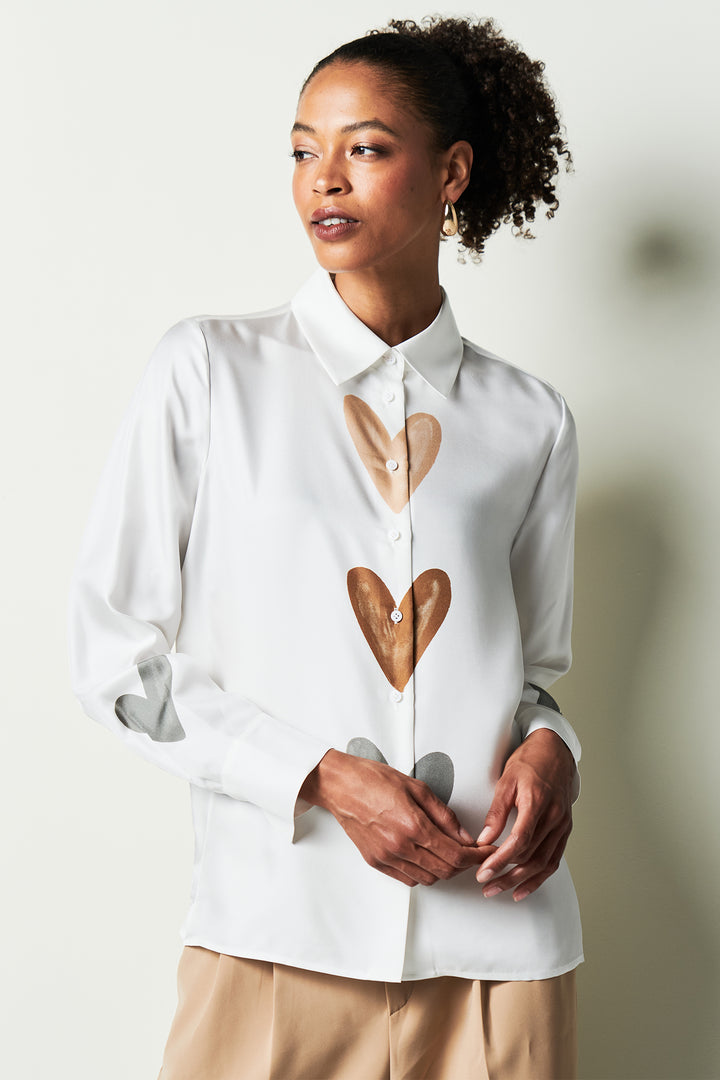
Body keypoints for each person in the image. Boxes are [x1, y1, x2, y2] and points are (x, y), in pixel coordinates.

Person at [68, 14, 583, 1080]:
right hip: (275, 937)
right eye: (305, 149)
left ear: (451, 171)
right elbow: (116, 664)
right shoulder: (209, 372)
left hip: (499, 948)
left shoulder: (531, 419)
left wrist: (555, 756)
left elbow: (533, 678)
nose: (324, 180)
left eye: (366, 148)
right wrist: (321, 778)